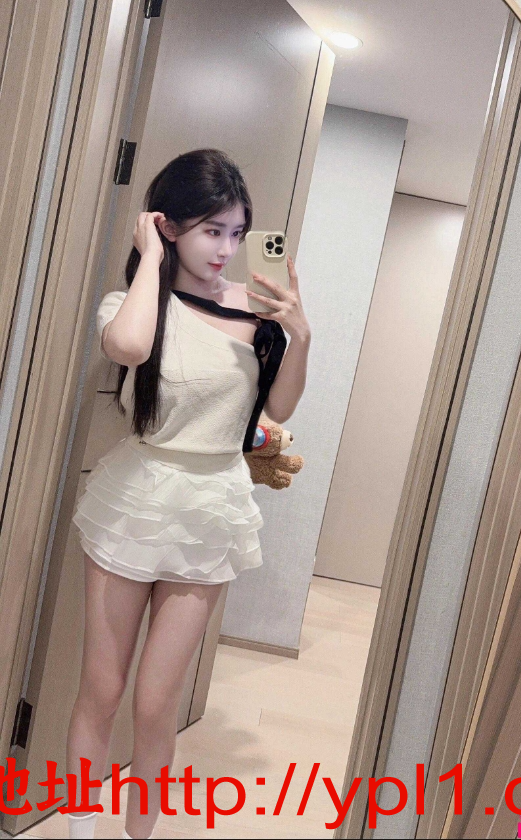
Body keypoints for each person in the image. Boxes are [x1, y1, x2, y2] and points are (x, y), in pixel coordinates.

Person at [66, 148, 311, 839]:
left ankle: (137, 834)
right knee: (101, 688)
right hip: (137, 498)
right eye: (211, 231)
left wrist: (299, 333)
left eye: (237, 233)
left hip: (211, 505)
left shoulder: (254, 309)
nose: (226, 249)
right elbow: (128, 348)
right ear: (169, 225)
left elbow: (280, 409)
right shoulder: (132, 302)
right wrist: (150, 256)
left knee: (155, 703)